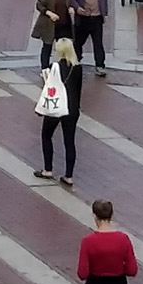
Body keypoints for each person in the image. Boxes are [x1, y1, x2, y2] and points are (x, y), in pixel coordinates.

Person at [35, 37, 85, 185]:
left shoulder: (53, 67)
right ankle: (68, 176)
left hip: (55, 106)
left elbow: (49, 87)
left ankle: (48, 169)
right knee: (69, 141)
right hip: (72, 108)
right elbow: (78, 90)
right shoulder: (78, 68)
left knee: (46, 136)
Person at [70, 0, 108, 76]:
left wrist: (104, 13)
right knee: (78, 42)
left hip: (96, 18)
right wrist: (77, 8)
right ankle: (75, 60)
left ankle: (100, 65)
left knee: (98, 43)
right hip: (83, 18)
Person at [33, 0, 73, 69]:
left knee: (64, 47)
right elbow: (39, 4)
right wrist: (49, 13)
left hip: (64, 25)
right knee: (47, 46)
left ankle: (63, 67)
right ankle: (44, 68)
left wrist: (71, 8)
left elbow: (71, 3)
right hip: (50, 25)